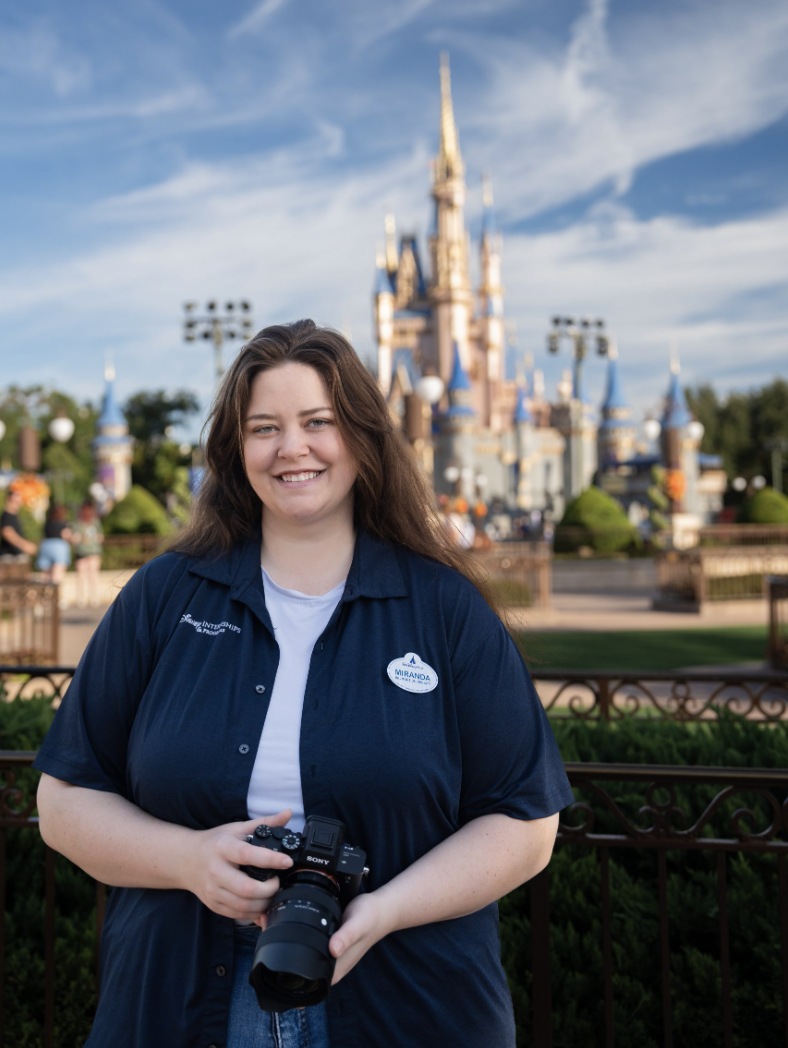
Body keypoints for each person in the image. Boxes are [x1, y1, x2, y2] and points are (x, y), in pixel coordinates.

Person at [34, 321, 574, 1048]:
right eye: (265, 428)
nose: (292, 448)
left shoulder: (444, 607)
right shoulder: (165, 595)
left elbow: (527, 822)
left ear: (361, 436)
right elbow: (63, 800)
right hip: (178, 1002)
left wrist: (380, 912)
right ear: (236, 449)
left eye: (318, 422)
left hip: (407, 1004)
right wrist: (189, 862)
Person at [71, 501, 103, 607]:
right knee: (81, 577)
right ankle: (81, 599)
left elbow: (100, 536)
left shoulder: (95, 522)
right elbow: (74, 538)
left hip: (93, 552)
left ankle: (94, 598)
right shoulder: (77, 523)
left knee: (93, 576)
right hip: (81, 552)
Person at [36, 503, 73, 585]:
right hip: (59, 547)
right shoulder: (63, 524)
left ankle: (44, 595)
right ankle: (55, 596)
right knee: (57, 575)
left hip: (45, 545)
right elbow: (65, 535)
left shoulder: (47, 523)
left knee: (45, 575)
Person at [0, 488, 37, 561]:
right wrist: (25, 545)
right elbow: (7, 532)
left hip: (14, 556)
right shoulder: (7, 515)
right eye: (17, 496)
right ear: (9, 498)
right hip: (9, 557)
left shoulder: (14, 516)